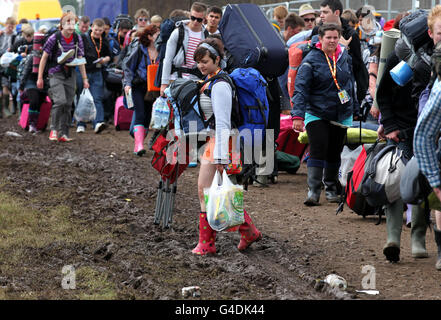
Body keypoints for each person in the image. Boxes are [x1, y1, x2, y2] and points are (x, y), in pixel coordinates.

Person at [191, 37, 262, 255]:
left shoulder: (220, 84)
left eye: (205, 61)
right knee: (216, 191)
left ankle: (208, 243)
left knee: (207, 189)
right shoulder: (211, 80)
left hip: (223, 142)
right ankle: (247, 231)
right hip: (218, 141)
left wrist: (222, 158)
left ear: (217, 59)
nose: (201, 65)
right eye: (198, 61)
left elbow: (223, 122)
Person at [292, 23, 357, 206]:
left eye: (335, 37)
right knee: (318, 148)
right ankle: (313, 191)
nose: (332, 41)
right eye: (328, 37)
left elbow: (350, 84)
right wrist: (297, 115)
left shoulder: (344, 57)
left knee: (334, 151)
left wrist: (355, 108)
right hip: (316, 112)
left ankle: (331, 189)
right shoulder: (311, 60)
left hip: (341, 112)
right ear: (320, 39)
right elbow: (301, 89)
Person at [376, 47, 428, 263]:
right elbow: (383, 93)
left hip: (426, 129)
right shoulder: (399, 55)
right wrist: (389, 125)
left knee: (423, 183)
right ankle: (393, 239)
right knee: (394, 179)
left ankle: (418, 239)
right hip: (399, 130)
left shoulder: (433, 58)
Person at [412, 5, 441, 270]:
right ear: (431, 33)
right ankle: (420, 236)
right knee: (426, 188)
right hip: (423, 126)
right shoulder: (416, 59)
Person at [37, 11, 89, 142]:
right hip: (55, 72)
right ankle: (53, 130)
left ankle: (64, 133)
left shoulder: (77, 38)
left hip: (70, 73)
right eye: (68, 22)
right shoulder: (54, 38)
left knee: (68, 103)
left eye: (73, 22)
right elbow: (43, 58)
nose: (71, 25)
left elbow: (81, 58)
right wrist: (40, 78)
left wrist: (85, 79)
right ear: (62, 24)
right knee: (60, 101)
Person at [313, 0, 368, 107]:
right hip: (321, 87)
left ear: (336, 13)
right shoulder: (317, 31)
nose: (321, 15)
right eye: (321, 12)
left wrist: (344, 50)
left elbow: (357, 66)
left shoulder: (351, 34)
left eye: (325, 12)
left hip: (343, 88)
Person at [123, 24, 159, 156]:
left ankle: (137, 139)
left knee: (148, 117)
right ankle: (138, 145)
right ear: (149, 37)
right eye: (157, 34)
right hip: (138, 86)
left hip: (153, 89)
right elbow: (128, 67)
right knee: (140, 113)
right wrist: (127, 84)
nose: (159, 36)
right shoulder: (139, 49)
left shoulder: (163, 51)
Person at [76, 18, 111, 134]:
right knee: (83, 97)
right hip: (84, 71)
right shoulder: (84, 39)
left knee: (97, 98)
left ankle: (98, 122)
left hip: (97, 71)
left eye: (100, 31)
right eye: (96, 30)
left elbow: (109, 55)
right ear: (92, 27)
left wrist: (105, 59)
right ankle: (81, 123)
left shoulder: (104, 40)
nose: (98, 33)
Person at [19, 31, 49, 133]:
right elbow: (26, 72)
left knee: (40, 102)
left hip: (43, 82)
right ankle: (32, 124)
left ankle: (37, 123)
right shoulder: (32, 57)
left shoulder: (49, 57)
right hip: (31, 81)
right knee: (34, 100)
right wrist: (22, 86)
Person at [0, 17, 17, 118]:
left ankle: (6, 108)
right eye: (8, 26)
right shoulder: (1, 35)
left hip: (8, 64)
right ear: (5, 25)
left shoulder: (15, 37)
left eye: (12, 26)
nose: (10, 28)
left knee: (6, 85)